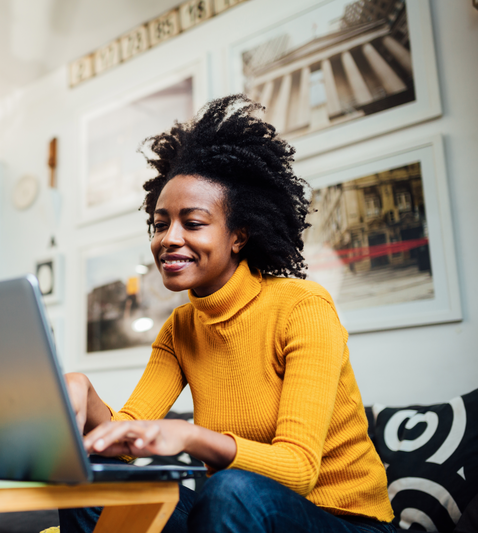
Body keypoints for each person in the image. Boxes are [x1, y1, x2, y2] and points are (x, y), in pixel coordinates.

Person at [62, 95, 395, 533]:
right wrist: (85, 397)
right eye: (161, 224)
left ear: (238, 236)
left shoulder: (303, 307)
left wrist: (189, 436)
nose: (169, 239)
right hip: (234, 516)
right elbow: (124, 441)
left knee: (229, 489)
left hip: (345, 522)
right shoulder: (180, 329)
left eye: (193, 223)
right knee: (97, 486)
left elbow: (298, 470)